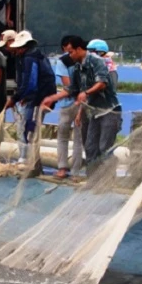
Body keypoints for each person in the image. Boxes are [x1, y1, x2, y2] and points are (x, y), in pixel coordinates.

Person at [41, 36, 122, 175]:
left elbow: (102, 83)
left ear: (79, 49)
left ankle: (107, 180)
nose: (69, 55)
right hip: (93, 112)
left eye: (71, 52)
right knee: (90, 147)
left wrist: (86, 92)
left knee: (104, 147)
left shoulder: (97, 61)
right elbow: (71, 88)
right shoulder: (78, 67)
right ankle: (92, 180)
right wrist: (52, 98)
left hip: (109, 110)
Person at [4, 31, 57, 165]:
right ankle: (27, 158)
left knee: (30, 129)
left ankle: (30, 161)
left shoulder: (30, 58)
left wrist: (15, 98)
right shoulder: (32, 56)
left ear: (23, 47)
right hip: (35, 97)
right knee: (26, 127)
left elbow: (31, 83)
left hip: (39, 99)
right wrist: (23, 95)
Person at [55, 35, 85, 179]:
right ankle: (68, 169)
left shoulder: (67, 62)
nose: (69, 52)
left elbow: (67, 84)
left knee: (71, 137)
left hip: (73, 102)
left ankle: (70, 170)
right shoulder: (69, 61)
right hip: (74, 102)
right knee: (69, 136)